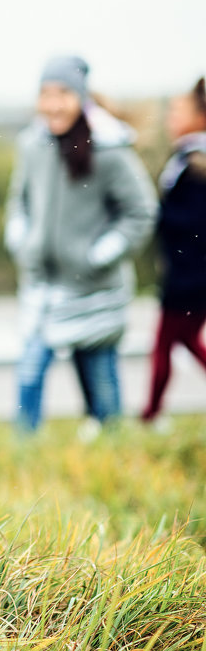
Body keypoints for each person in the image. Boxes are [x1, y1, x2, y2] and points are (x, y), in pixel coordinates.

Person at [4, 56, 157, 435]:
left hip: (93, 288)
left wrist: (99, 255)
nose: (53, 104)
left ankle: (111, 446)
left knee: (99, 378)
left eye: (63, 94)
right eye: (45, 94)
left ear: (81, 98)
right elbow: (18, 202)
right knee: (30, 368)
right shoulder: (32, 145)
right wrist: (20, 240)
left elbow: (141, 211)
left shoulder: (110, 150)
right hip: (43, 284)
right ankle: (22, 451)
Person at [140, 77, 206, 426]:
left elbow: (193, 224)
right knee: (184, 341)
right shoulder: (187, 159)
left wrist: (158, 215)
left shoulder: (195, 165)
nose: (171, 118)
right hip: (189, 273)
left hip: (188, 276)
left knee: (167, 344)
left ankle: (151, 413)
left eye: (179, 110)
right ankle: (151, 412)